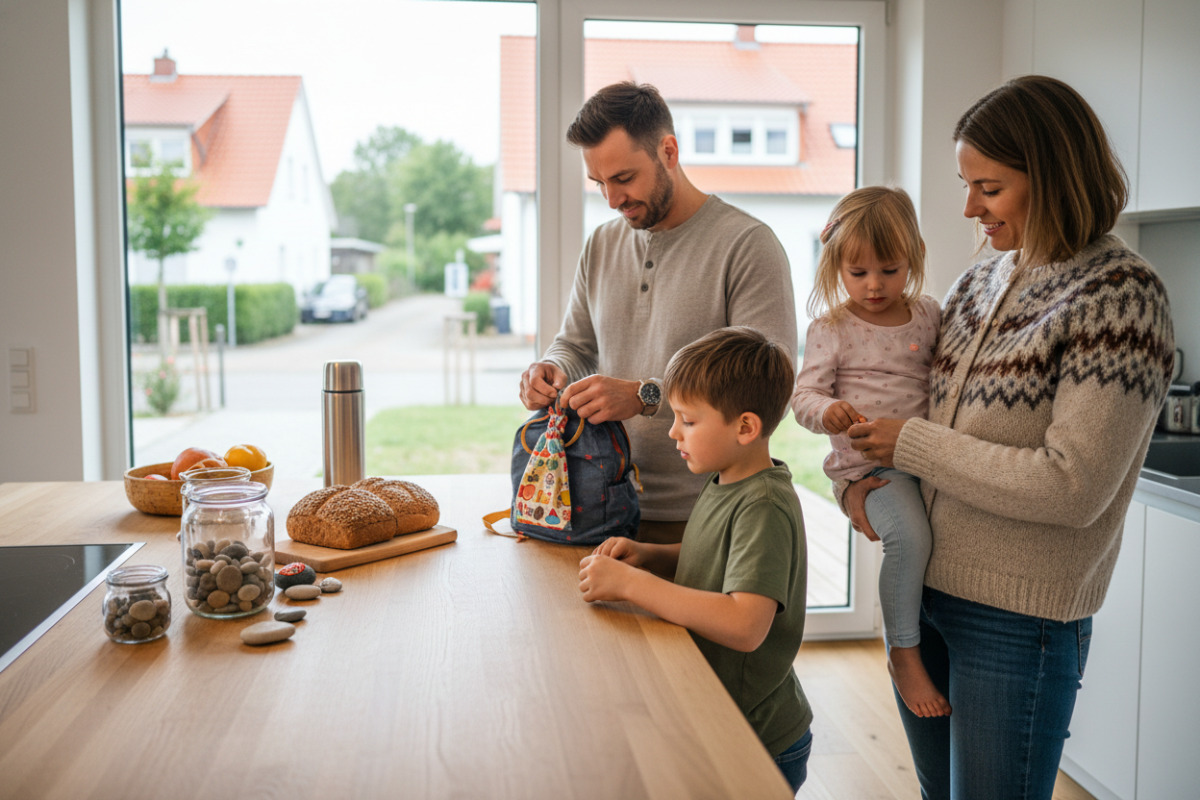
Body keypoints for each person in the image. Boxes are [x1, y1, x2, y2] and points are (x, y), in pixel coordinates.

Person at [843, 75, 1175, 800]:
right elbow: (912, 410)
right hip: (924, 599)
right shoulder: (976, 284)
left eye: (988, 188)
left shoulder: (1120, 296)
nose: (969, 208)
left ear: (1052, 176)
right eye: (967, 185)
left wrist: (909, 446)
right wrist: (859, 487)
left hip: (1018, 621)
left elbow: (1072, 486)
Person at [519, 81, 798, 544]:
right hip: (595, 507)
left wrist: (646, 395)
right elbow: (577, 345)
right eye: (600, 184)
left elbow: (772, 388)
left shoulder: (748, 245)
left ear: (668, 151)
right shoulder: (602, 243)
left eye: (624, 178)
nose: (612, 200)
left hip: (709, 517)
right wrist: (552, 367)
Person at [577, 326, 813, 793]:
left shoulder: (763, 504)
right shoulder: (728, 478)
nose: (672, 431)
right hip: (719, 713)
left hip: (757, 735)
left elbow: (745, 624)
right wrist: (649, 556)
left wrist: (632, 585)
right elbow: (717, 555)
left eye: (687, 420)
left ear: (745, 428)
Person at [790, 186, 949, 719]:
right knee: (909, 540)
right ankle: (903, 651)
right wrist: (827, 410)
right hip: (871, 468)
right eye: (857, 272)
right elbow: (803, 397)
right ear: (835, 264)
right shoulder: (831, 328)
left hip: (927, 459)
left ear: (915, 258)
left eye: (890, 270)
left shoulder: (928, 315)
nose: (874, 285)